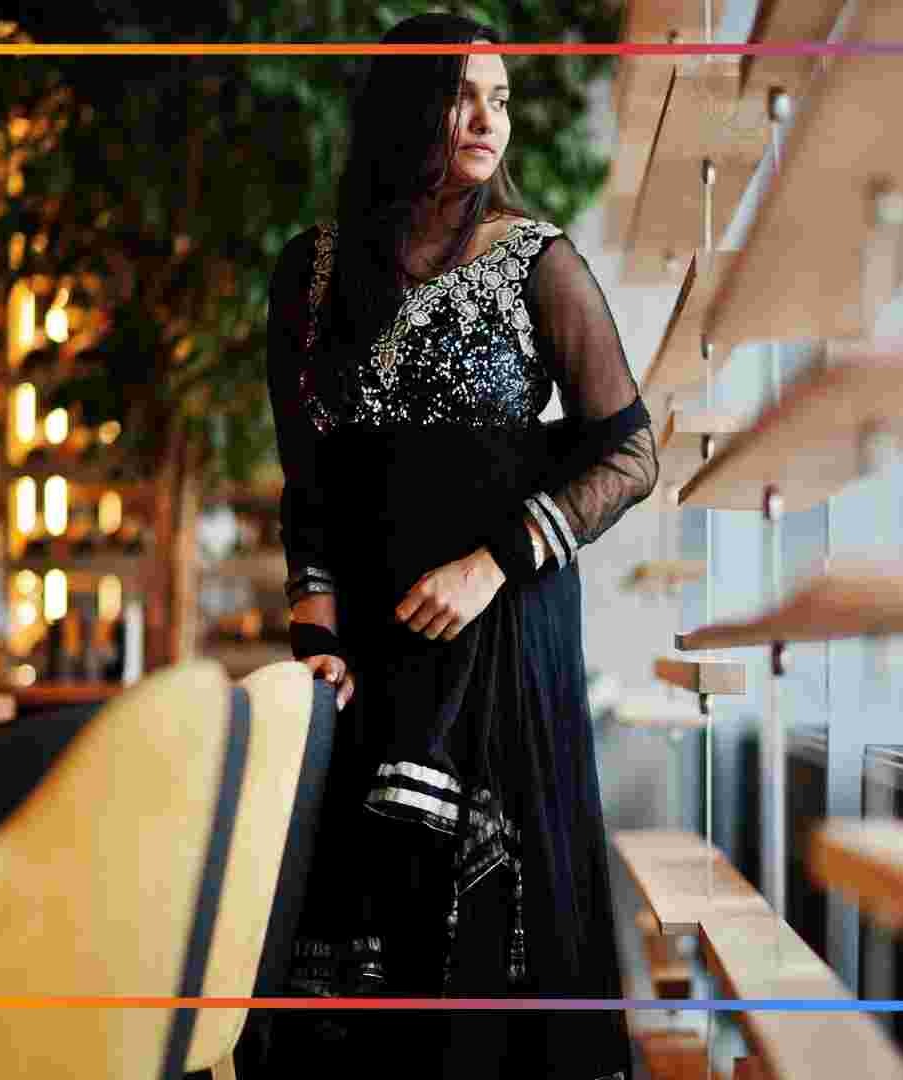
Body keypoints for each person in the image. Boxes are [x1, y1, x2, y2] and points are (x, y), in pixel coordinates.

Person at [247, 11, 656, 1080]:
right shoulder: (312, 276)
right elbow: (312, 483)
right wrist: (315, 632)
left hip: (499, 647)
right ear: (404, 108)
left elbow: (630, 454)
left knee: (484, 965)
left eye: (503, 98)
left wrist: (495, 565)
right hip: (367, 660)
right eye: (462, 94)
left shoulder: (538, 263)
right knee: (358, 958)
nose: (488, 121)